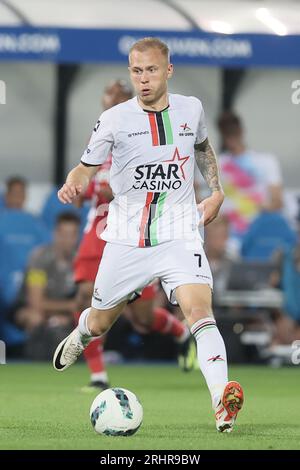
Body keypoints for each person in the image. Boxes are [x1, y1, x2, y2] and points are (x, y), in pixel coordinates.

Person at [53, 37, 244, 433]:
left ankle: (222, 403)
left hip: (179, 233)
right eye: (136, 71)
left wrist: (217, 191)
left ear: (168, 70)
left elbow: (205, 149)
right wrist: (72, 183)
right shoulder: (114, 119)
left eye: (151, 70)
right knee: (103, 322)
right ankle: (83, 331)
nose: (143, 79)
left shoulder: (192, 109)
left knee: (198, 310)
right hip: (125, 238)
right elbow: (85, 167)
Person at [73, 80, 193, 390]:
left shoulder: (147, 141)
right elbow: (82, 185)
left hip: (134, 230)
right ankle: (98, 375)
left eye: (121, 97)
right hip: (98, 231)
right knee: (86, 297)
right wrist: (78, 186)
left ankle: (180, 331)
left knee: (142, 317)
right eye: (110, 96)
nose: (114, 101)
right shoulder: (100, 137)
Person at [218, 111, 283, 250]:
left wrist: (258, 210)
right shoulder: (217, 164)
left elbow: (277, 202)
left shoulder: (266, 161)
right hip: (228, 239)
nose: (231, 137)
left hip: (258, 233)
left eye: (233, 131)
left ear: (241, 131)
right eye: (226, 133)